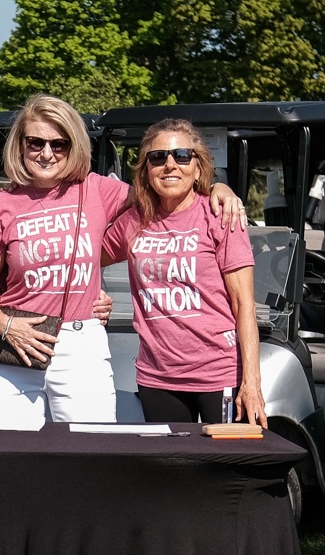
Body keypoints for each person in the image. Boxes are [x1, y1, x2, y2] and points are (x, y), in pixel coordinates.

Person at [0, 95, 139, 423]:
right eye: (35, 143)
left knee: (90, 455)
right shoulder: (0, 205)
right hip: (13, 345)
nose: (47, 153)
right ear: (20, 145)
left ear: (73, 146)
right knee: (16, 461)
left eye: (59, 144)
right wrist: (6, 326)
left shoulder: (94, 189)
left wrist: (217, 189)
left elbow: (160, 195)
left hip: (79, 343)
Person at [104, 119, 265, 426]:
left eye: (181, 155)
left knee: (224, 470)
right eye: (157, 157)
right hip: (158, 378)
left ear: (197, 166)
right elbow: (82, 259)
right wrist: (90, 298)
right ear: (146, 170)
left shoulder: (220, 215)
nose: (169, 165)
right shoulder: (133, 221)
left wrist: (252, 383)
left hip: (219, 374)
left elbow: (244, 304)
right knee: (176, 471)